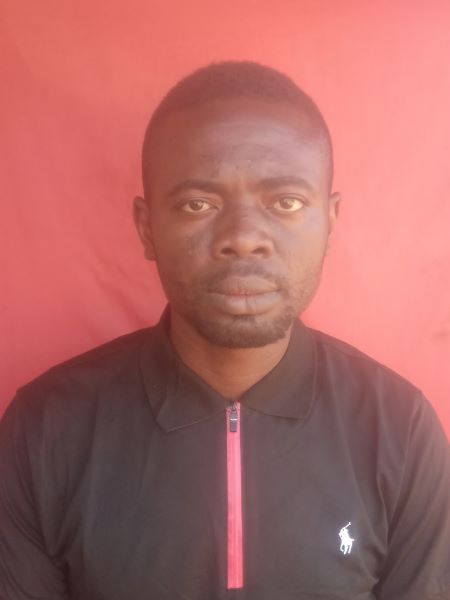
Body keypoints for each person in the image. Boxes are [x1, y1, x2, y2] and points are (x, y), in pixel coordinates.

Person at [1, 61, 449, 600]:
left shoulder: (399, 430)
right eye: (199, 204)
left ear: (329, 223)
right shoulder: (45, 430)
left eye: (285, 202)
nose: (243, 237)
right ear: (147, 228)